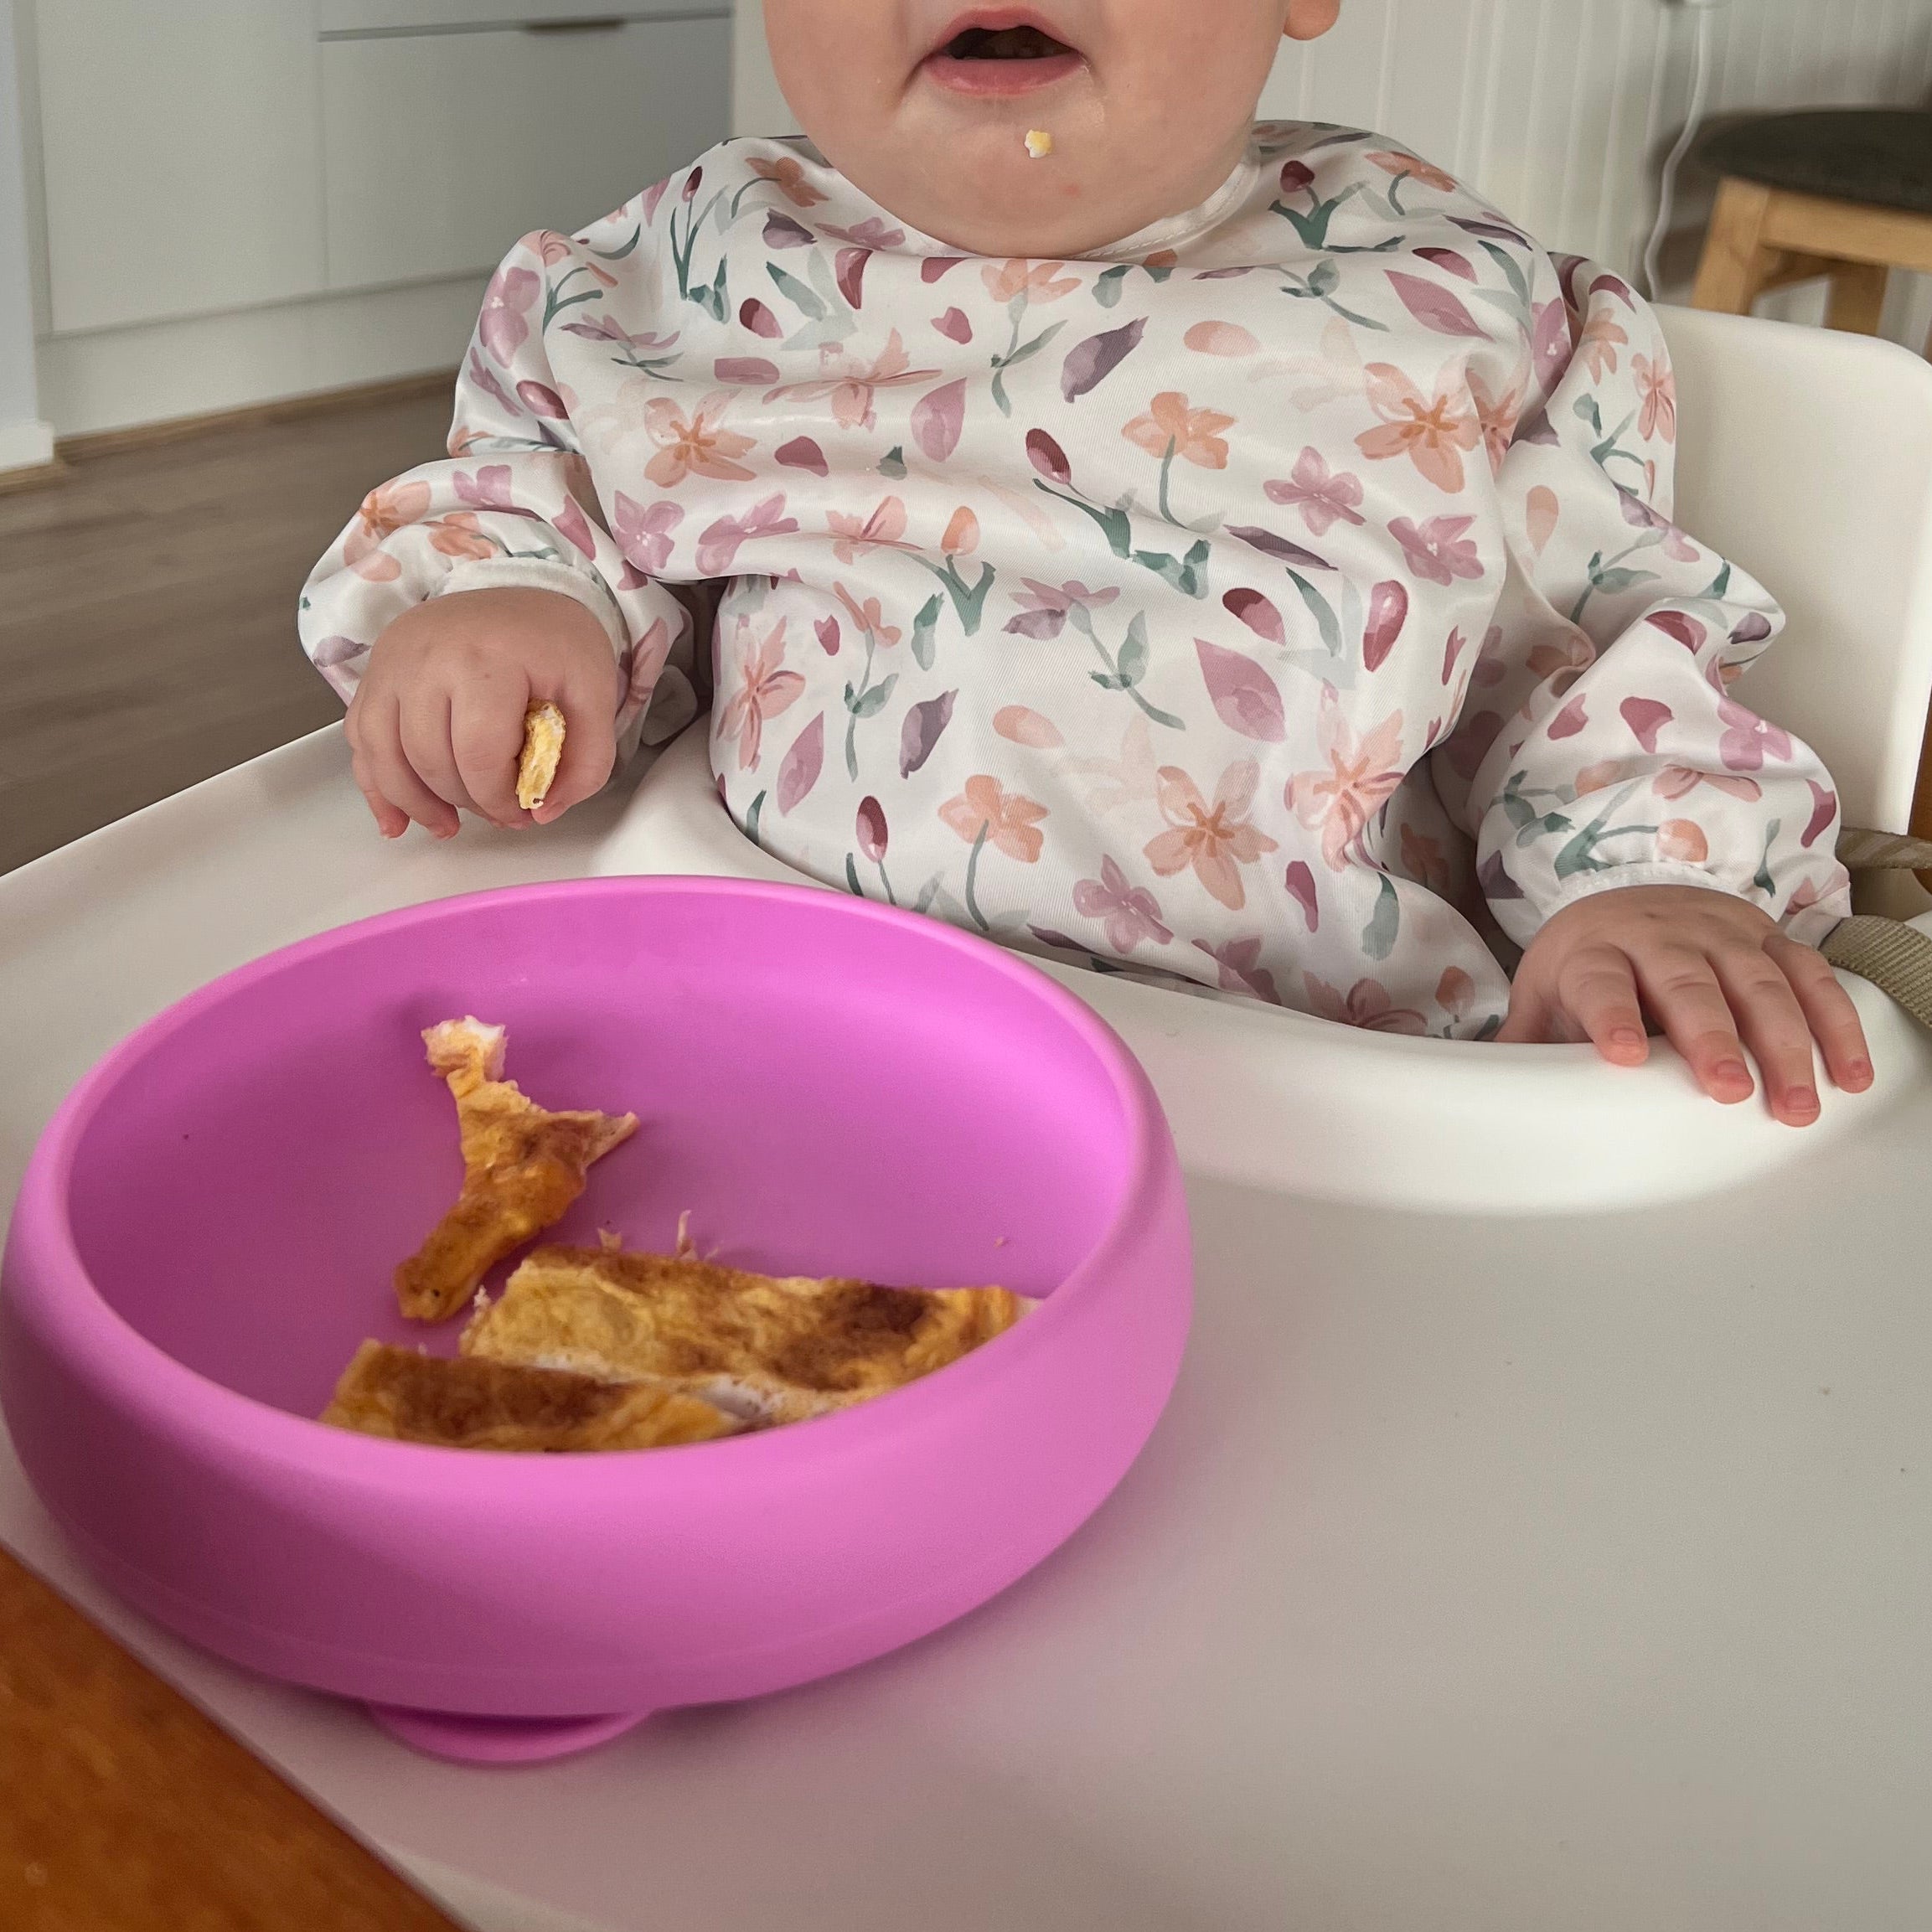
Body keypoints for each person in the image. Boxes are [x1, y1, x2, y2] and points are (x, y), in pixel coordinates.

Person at [298, 0, 1870, 1126]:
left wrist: (1644, 881)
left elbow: (1582, 648)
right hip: (782, 1043)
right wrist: (515, 593)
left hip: (1311, 1099)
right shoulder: (696, 268)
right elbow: (546, 453)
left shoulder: (1435, 301)